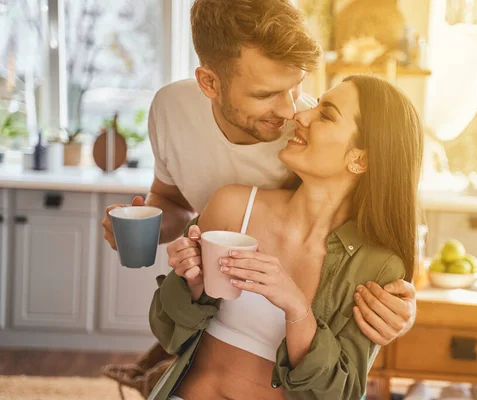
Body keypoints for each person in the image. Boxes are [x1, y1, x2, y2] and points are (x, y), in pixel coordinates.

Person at [100, 0, 417, 396]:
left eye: (299, 88)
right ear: (209, 83)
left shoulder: (304, 136)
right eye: (267, 93)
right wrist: (162, 247)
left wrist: (402, 308)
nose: (293, 112)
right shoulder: (173, 113)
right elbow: (170, 202)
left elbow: (382, 210)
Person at [150, 73, 423, 400]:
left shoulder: (376, 269)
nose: (300, 115)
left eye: (326, 114)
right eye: (316, 105)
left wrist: (296, 308)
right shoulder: (234, 206)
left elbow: (341, 393)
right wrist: (190, 284)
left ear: (360, 159)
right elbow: (167, 333)